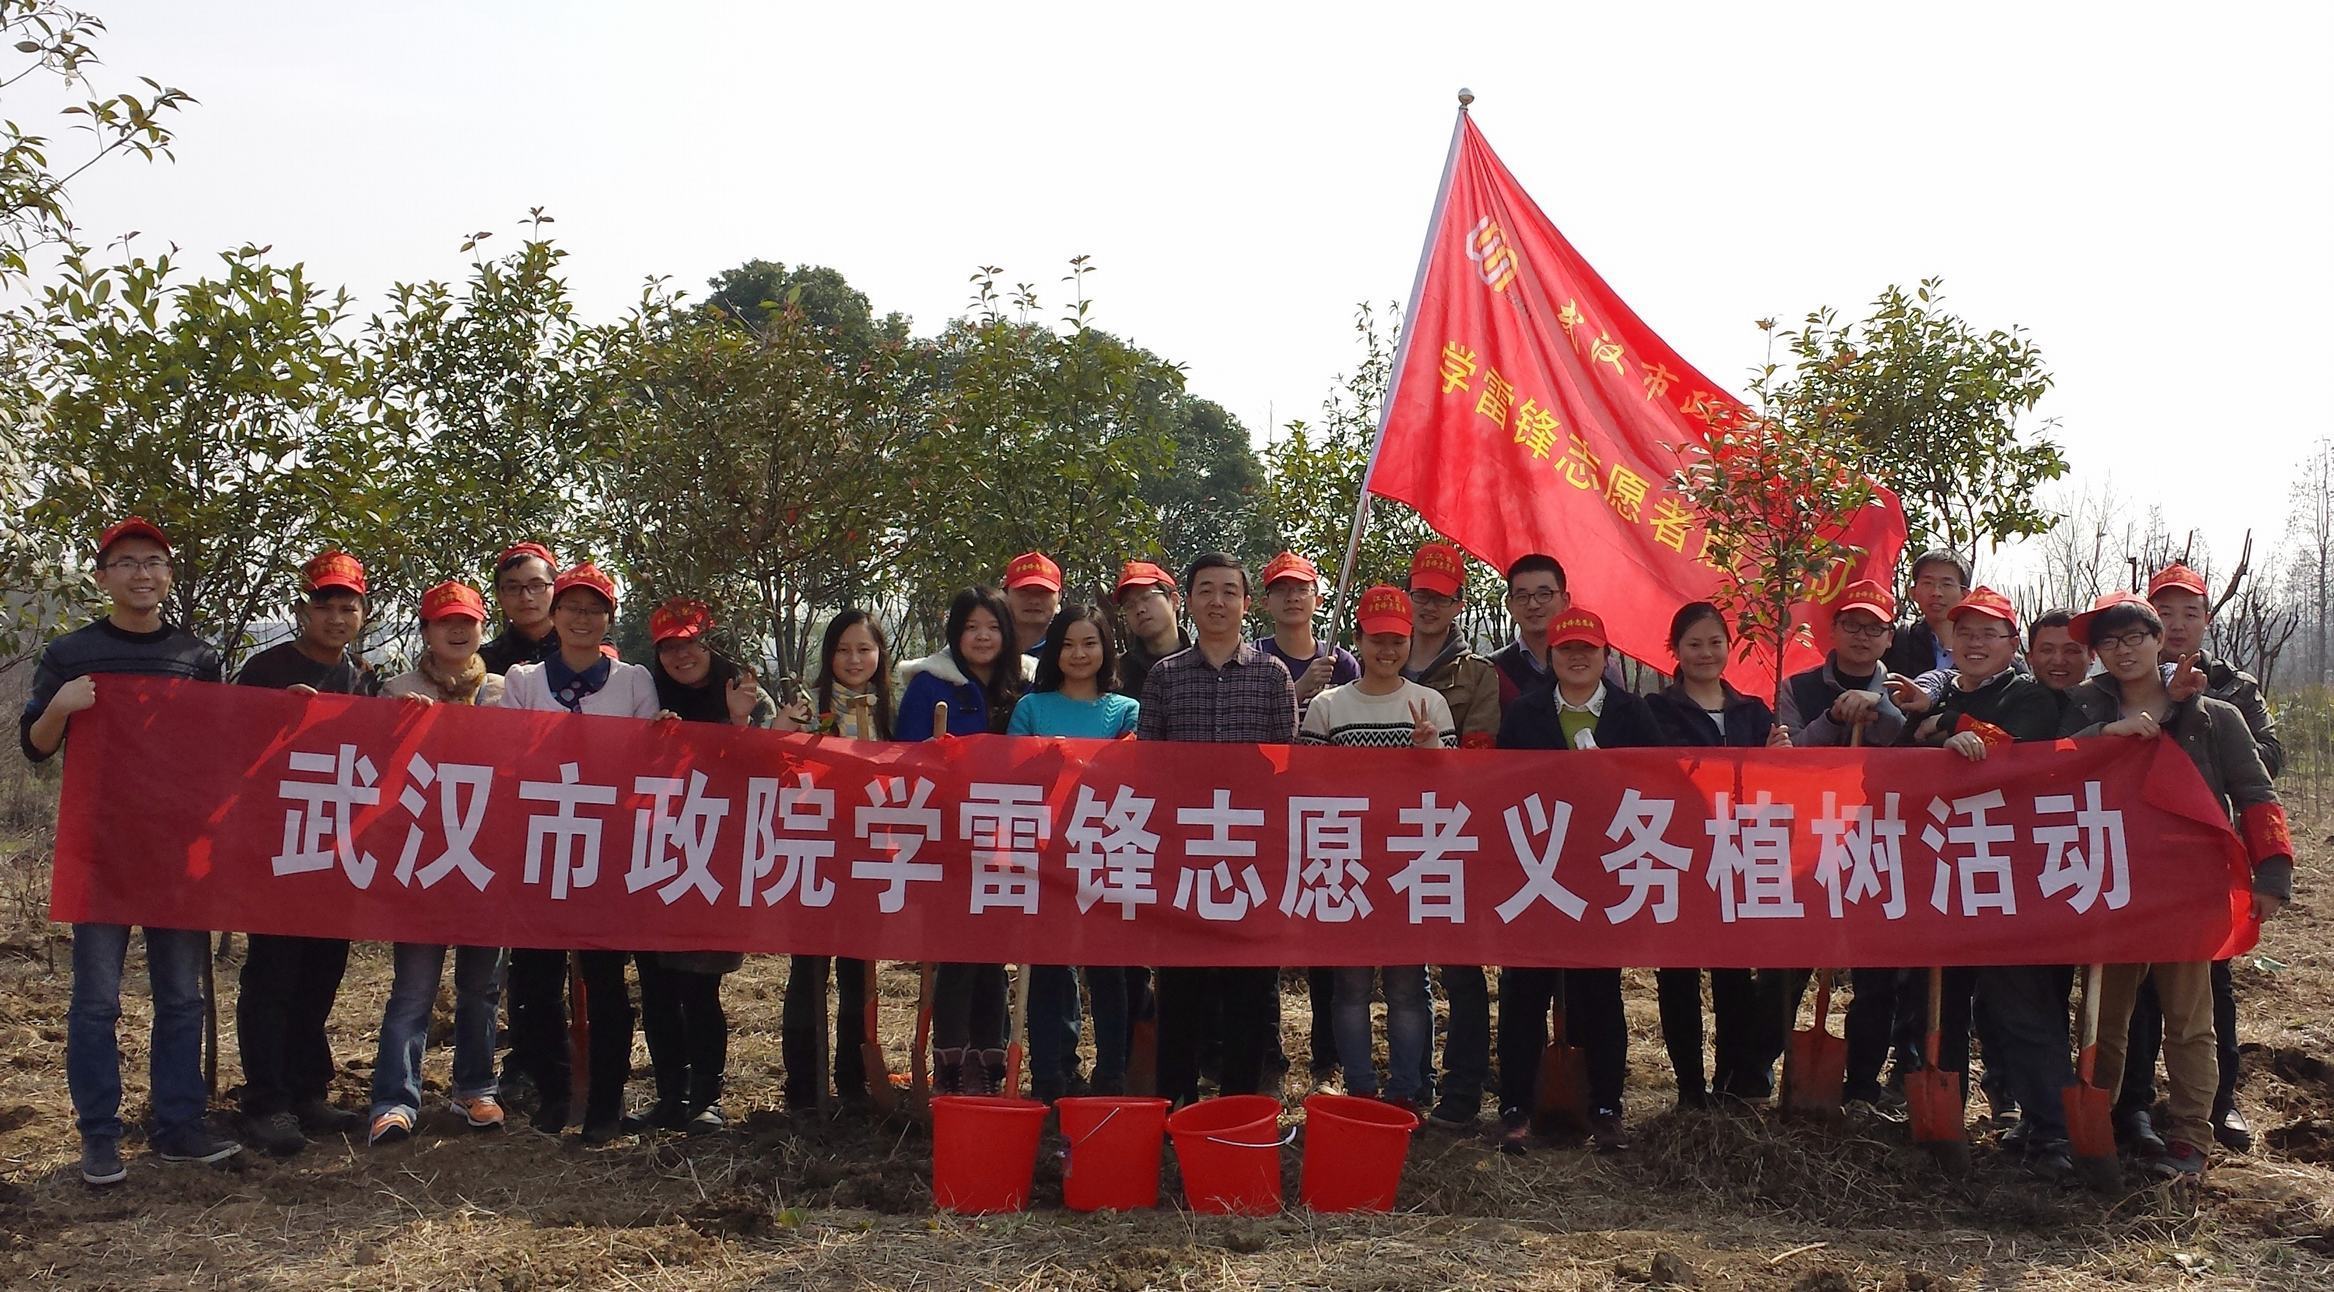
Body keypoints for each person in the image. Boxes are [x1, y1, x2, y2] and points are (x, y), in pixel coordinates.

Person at [20, 516, 242, 1184]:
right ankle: (99, 1135)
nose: (142, 574)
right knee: (96, 1001)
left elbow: (221, 746)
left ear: (168, 576)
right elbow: (35, 746)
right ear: (102, 577)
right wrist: (62, 705)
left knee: (180, 999)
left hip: (177, 853)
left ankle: (178, 1126)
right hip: (101, 851)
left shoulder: (197, 657)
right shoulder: (72, 652)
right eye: (127, 563)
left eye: (153, 562)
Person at [2062, 591, 2292, 1177]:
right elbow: (2052, 767)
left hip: (2189, 884)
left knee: (2189, 1019)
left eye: (2134, 638)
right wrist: (2105, 735)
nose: (2123, 651)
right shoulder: (2082, 707)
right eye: (2109, 642)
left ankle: (2191, 1135)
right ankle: (2097, 1125)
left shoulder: (2214, 715)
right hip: (2111, 881)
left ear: (2159, 640)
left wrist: (2273, 872)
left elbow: (2256, 795)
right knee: (2103, 1016)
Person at [1906, 586, 2072, 1177]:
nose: (1975, 644)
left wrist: (1947, 726)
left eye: (1988, 634)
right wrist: (1934, 729)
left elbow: (2014, 751)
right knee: (1937, 1004)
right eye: (1965, 633)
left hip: (2006, 875)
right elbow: (1901, 756)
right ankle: (1941, 1125)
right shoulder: (1934, 693)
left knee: (2019, 1006)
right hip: (1937, 873)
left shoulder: (2028, 695)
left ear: (2011, 643)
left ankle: (2052, 1130)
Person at [500, 561, 662, 1142]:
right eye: (572, 607)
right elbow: (508, 754)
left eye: (595, 610)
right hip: (542, 843)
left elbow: (648, 761)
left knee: (606, 980)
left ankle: (605, 1104)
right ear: (554, 614)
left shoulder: (633, 681)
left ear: (609, 619)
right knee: (535, 980)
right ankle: (555, 1092)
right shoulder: (523, 681)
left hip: (608, 848)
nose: (582, 619)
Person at [2124, 562, 2282, 1153]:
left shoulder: (2231, 689)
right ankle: (2133, 1105)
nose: (2178, 625)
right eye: (2164, 614)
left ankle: (2219, 1103)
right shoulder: (2117, 685)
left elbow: (2266, 762)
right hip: (2133, 854)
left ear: (2206, 621)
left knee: (2212, 983)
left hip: (2204, 853)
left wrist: (2203, 716)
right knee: (2134, 990)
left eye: (2190, 613)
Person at [1492, 607, 1657, 1154]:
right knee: (1524, 989)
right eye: (1567, 649)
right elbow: (1504, 785)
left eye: (1589, 648)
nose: (1578, 657)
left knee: (1599, 991)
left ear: (1605, 655)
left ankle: (1605, 1107)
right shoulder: (1525, 713)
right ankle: (1515, 1106)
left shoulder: (1633, 713)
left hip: (1603, 868)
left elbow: (1659, 784)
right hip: (1538, 865)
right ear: (1552, 657)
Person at [1139, 552, 1298, 1107]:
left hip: (1250, 854)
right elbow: (1148, 767)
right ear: (1188, 601)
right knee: (1180, 986)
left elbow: (1286, 767)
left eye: (1230, 591)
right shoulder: (1164, 677)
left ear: (1247, 604)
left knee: (1248, 987)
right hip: (1183, 854)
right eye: (1206, 590)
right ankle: (1175, 1103)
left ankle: (1237, 1108)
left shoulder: (1272, 676)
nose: (1218, 601)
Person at [232, 550, 375, 1158]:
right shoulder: (265, 669)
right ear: (303, 610)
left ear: (362, 614)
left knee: (322, 972)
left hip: (335, 848)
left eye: (348, 607)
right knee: (272, 975)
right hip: (276, 847)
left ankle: (308, 1091)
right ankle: (266, 1101)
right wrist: (273, 718)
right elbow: (227, 746)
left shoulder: (362, 676)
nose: (336, 617)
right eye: (325, 605)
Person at [1301, 586, 1454, 1113]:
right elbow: (1307, 784)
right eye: (1377, 640)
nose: (1387, 650)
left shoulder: (1430, 703)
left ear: (1410, 642)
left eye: (1397, 640)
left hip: (1411, 861)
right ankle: (1361, 1089)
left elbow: (1453, 790)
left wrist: (1431, 750)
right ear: (1359, 640)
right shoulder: (1328, 707)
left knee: (1408, 985)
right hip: (1346, 860)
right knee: (1350, 986)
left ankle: (1408, 1091)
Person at [368, 580, 510, 1145]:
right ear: (426, 630)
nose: (457, 631)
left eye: (467, 622)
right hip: (421, 858)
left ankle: (475, 1088)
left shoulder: (506, 692)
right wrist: (396, 727)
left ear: (482, 628)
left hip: (485, 855)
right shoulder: (397, 690)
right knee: (414, 988)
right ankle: (393, 1099)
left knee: (482, 987)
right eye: (444, 621)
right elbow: (373, 767)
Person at [1642, 602, 1793, 1111]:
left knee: (1734, 973)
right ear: (1675, 650)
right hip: (1678, 852)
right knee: (1678, 972)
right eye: (1693, 644)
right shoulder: (1656, 711)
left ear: (1730, 647)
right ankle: (1689, 1087)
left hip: (1739, 854)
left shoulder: (1753, 711)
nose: (1705, 654)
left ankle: (1731, 1083)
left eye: (1714, 643)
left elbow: (1776, 786)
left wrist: (1779, 760)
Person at [1774, 580, 1907, 1110]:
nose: (1862, 636)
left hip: (1882, 845)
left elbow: (1913, 741)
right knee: (1790, 963)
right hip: (1808, 843)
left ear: (1889, 637)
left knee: (1877, 973)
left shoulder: (1907, 690)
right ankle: (1763, 1072)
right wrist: (1832, 718)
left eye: (1875, 628)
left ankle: (1862, 1084)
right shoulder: (1798, 687)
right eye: (1852, 624)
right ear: (1833, 630)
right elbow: (1786, 758)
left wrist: (1882, 705)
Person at [637, 598, 766, 1133]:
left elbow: (762, 768)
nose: (681, 655)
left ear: (709, 642)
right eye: (669, 647)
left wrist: (737, 721)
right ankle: (670, 1095)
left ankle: (707, 1096)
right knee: (656, 985)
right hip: (653, 850)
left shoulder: (743, 690)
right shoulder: (648, 692)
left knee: (700, 985)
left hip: (714, 854)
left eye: (690, 642)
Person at [1007, 605, 1142, 1101]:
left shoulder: (1127, 710)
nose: (1079, 654)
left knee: (1109, 969)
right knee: (1048, 968)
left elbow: (1135, 773)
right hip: (1046, 854)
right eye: (1067, 644)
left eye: (1090, 643)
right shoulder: (1031, 708)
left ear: (1106, 648)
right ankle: (1050, 1074)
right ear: (1053, 652)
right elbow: (1009, 772)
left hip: (1109, 852)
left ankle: (1112, 1075)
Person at [898, 585, 1028, 1093]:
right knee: (956, 953)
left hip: (1009, 834)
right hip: (948, 838)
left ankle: (988, 1065)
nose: (982, 637)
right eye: (971, 627)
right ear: (955, 633)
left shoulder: (1026, 684)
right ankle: (950, 1066)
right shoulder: (929, 685)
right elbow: (907, 760)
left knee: (994, 953)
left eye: (993, 627)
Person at [778, 608, 894, 1111]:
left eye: (864, 649)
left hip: (871, 858)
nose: (854, 660)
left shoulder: (893, 712)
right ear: (828, 657)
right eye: (843, 650)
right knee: (808, 970)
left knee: (858, 974)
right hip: (815, 853)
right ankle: (804, 1085)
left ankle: (852, 1081)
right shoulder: (810, 709)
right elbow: (779, 764)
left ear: (879, 655)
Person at [1403, 542, 1503, 1128]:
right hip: (1381, 833)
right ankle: (1407, 1084)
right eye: (1421, 595)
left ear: (1459, 604)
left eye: (1440, 598)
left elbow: (1479, 754)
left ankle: (1462, 1092)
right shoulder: (1375, 660)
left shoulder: (1477, 675)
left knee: (1461, 972)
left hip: (1449, 833)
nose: (1429, 606)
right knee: (1398, 969)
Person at [1252, 549, 1357, 1085]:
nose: (1293, 598)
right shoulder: (1255, 658)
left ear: (1317, 598)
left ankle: (1327, 1058)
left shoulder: (1343, 663)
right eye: (1282, 590)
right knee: (1262, 938)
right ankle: (1267, 1054)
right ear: (1267, 601)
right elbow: (1253, 733)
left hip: (1323, 815)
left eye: (1302, 589)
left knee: (1324, 939)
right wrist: (1295, 693)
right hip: (1266, 814)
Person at [482, 540, 566, 1110]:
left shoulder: (588, 646)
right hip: (516, 814)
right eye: (513, 588)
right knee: (529, 956)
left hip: (582, 812)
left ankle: (576, 1058)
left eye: (536, 585)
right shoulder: (486, 660)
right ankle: (525, 1062)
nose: (526, 597)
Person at [1488, 553, 1567, 707]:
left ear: (1565, 601)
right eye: (1522, 596)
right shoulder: (1493, 669)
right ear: (1510, 606)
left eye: (1544, 594)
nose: (1533, 605)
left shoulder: (1593, 663)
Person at [1881, 550, 1970, 681]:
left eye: (1946, 584)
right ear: (1913, 593)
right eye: (1927, 583)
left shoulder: (1980, 644)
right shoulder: (1896, 639)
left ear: (1965, 595)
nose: (1936, 592)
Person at [1114, 560, 1188, 698]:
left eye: (1147, 597)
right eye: (1129, 606)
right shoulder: (1116, 674)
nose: (1139, 609)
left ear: (1175, 601)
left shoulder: (1205, 662)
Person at [2025, 608, 2094, 713]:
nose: (2059, 661)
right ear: (2030, 656)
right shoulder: (2010, 703)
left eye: (2071, 650)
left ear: (2092, 655)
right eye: (2047, 650)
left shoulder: (2110, 708)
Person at [1003, 549, 1063, 657]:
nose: (1034, 601)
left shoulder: (1068, 648)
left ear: (1060, 596)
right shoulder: (989, 646)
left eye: (1043, 592)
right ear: (1005, 594)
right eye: (1023, 592)